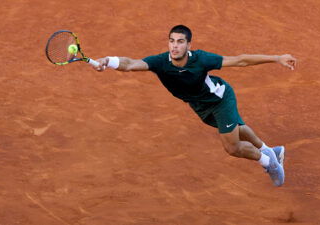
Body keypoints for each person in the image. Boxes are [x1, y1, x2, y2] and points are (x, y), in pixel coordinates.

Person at [93, 25, 297, 187]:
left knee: (232, 147)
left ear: (188, 45)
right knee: (237, 128)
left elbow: (240, 60)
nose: (175, 46)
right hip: (200, 107)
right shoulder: (160, 62)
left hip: (220, 100)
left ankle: (269, 163)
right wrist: (108, 60)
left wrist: (276, 58)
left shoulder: (201, 59)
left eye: (180, 42)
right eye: (171, 41)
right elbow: (130, 64)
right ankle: (271, 150)